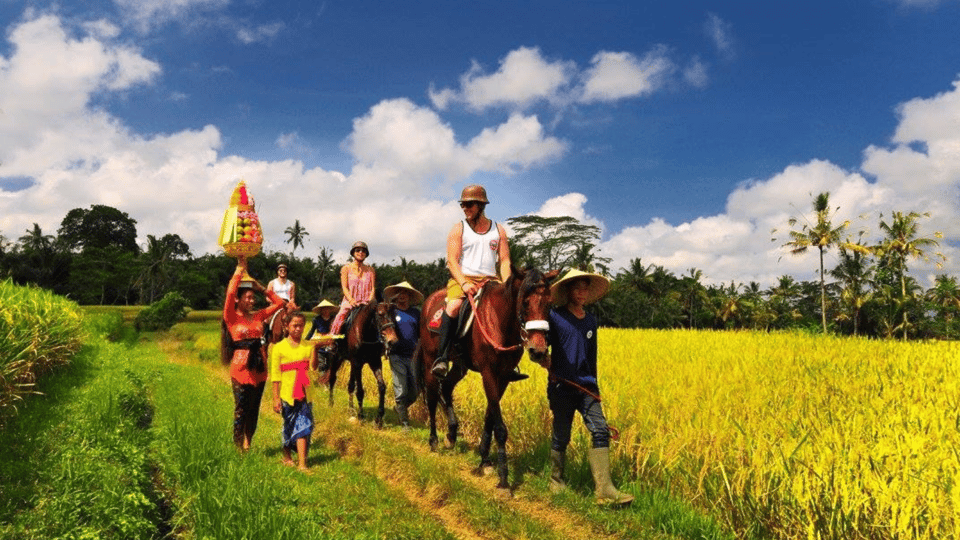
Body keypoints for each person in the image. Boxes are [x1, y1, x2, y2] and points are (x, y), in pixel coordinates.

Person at [546, 269, 633, 506]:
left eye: (585, 288)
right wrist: (543, 359)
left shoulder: (591, 321)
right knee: (561, 434)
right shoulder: (555, 317)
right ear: (568, 291)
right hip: (562, 385)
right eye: (577, 288)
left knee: (600, 430)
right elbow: (541, 346)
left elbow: (592, 356)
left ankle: (604, 489)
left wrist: (595, 387)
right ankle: (556, 480)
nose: (582, 293)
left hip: (587, 387)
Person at [431, 184, 525, 381]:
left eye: (469, 205)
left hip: (491, 280)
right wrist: (464, 284)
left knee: (509, 308)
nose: (465, 208)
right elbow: (452, 261)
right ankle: (442, 357)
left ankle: (511, 361)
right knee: (454, 307)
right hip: (463, 279)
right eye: (463, 205)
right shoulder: (458, 229)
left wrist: (507, 284)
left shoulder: (498, 230)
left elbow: (505, 260)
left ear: (481, 205)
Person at [221, 257, 287, 451]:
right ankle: (237, 445)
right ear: (238, 299)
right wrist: (239, 270)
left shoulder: (258, 315)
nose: (251, 301)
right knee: (241, 409)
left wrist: (260, 288)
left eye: (253, 298)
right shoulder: (231, 317)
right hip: (240, 369)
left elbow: (280, 303)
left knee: (254, 409)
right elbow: (230, 292)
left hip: (260, 367)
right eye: (247, 297)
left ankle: (248, 442)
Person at [269, 312, 315, 472]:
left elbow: (313, 367)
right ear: (286, 327)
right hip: (287, 395)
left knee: (304, 426)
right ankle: (287, 456)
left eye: (301, 326)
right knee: (288, 425)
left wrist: (317, 348)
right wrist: (275, 397)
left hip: (305, 393)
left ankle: (302, 464)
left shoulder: (308, 346)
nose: (298, 329)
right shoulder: (278, 348)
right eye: (294, 325)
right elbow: (275, 375)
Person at [383, 281, 422, 430]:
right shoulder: (391, 312)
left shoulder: (415, 313)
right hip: (396, 354)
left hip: (412, 355)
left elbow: (420, 334)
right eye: (399, 294)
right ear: (395, 296)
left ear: (410, 297)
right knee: (401, 388)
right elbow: (383, 327)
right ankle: (405, 423)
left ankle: (399, 408)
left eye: (405, 294)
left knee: (415, 392)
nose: (402, 297)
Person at [329, 241, 376, 337]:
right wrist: (351, 300)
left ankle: (383, 343)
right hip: (351, 301)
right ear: (353, 253)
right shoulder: (346, 268)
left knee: (381, 319)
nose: (360, 253)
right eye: (358, 250)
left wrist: (370, 301)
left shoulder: (371, 270)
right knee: (340, 316)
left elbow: (373, 288)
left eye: (363, 251)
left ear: (366, 254)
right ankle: (332, 341)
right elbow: (344, 287)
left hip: (367, 302)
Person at [305, 299, 337, 371]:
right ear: (321, 310)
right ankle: (322, 378)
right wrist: (305, 341)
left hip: (330, 344)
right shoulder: (316, 319)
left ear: (330, 310)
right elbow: (312, 331)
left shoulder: (334, 319)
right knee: (321, 365)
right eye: (324, 309)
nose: (326, 311)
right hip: (320, 344)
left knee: (331, 366)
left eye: (327, 309)